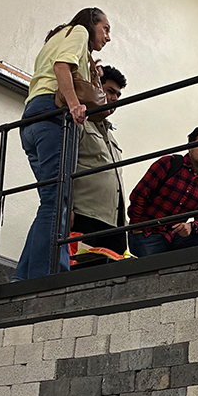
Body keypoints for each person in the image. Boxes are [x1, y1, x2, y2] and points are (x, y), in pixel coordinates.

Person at [14, 7, 111, 281]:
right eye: (105, 28)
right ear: (91, 24)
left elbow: (56, 66)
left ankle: (24, 275)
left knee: (51, 201)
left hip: (32, 118)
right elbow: (61, 68)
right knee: (58, 202)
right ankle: (47, 275)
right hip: (54, 116)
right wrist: (74, 104)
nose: (108, 36)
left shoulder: (57, 37)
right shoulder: (79, 31)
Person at [127, 127, 198, 256]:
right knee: (146, 273)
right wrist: (137, 227)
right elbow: (139, 194)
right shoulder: (169, 163)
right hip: (148, 233)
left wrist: (192, 226)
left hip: (176, 236)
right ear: (190, 146)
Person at [71, 65, 127, 255]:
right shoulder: (79, 123)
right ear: (96, 87)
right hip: (85, 215)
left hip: (114, 222)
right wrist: (66, 208)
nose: (114, 99)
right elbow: (62, 167)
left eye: (118, 95)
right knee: (79, 274)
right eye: (110, 91)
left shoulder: (111, 137)